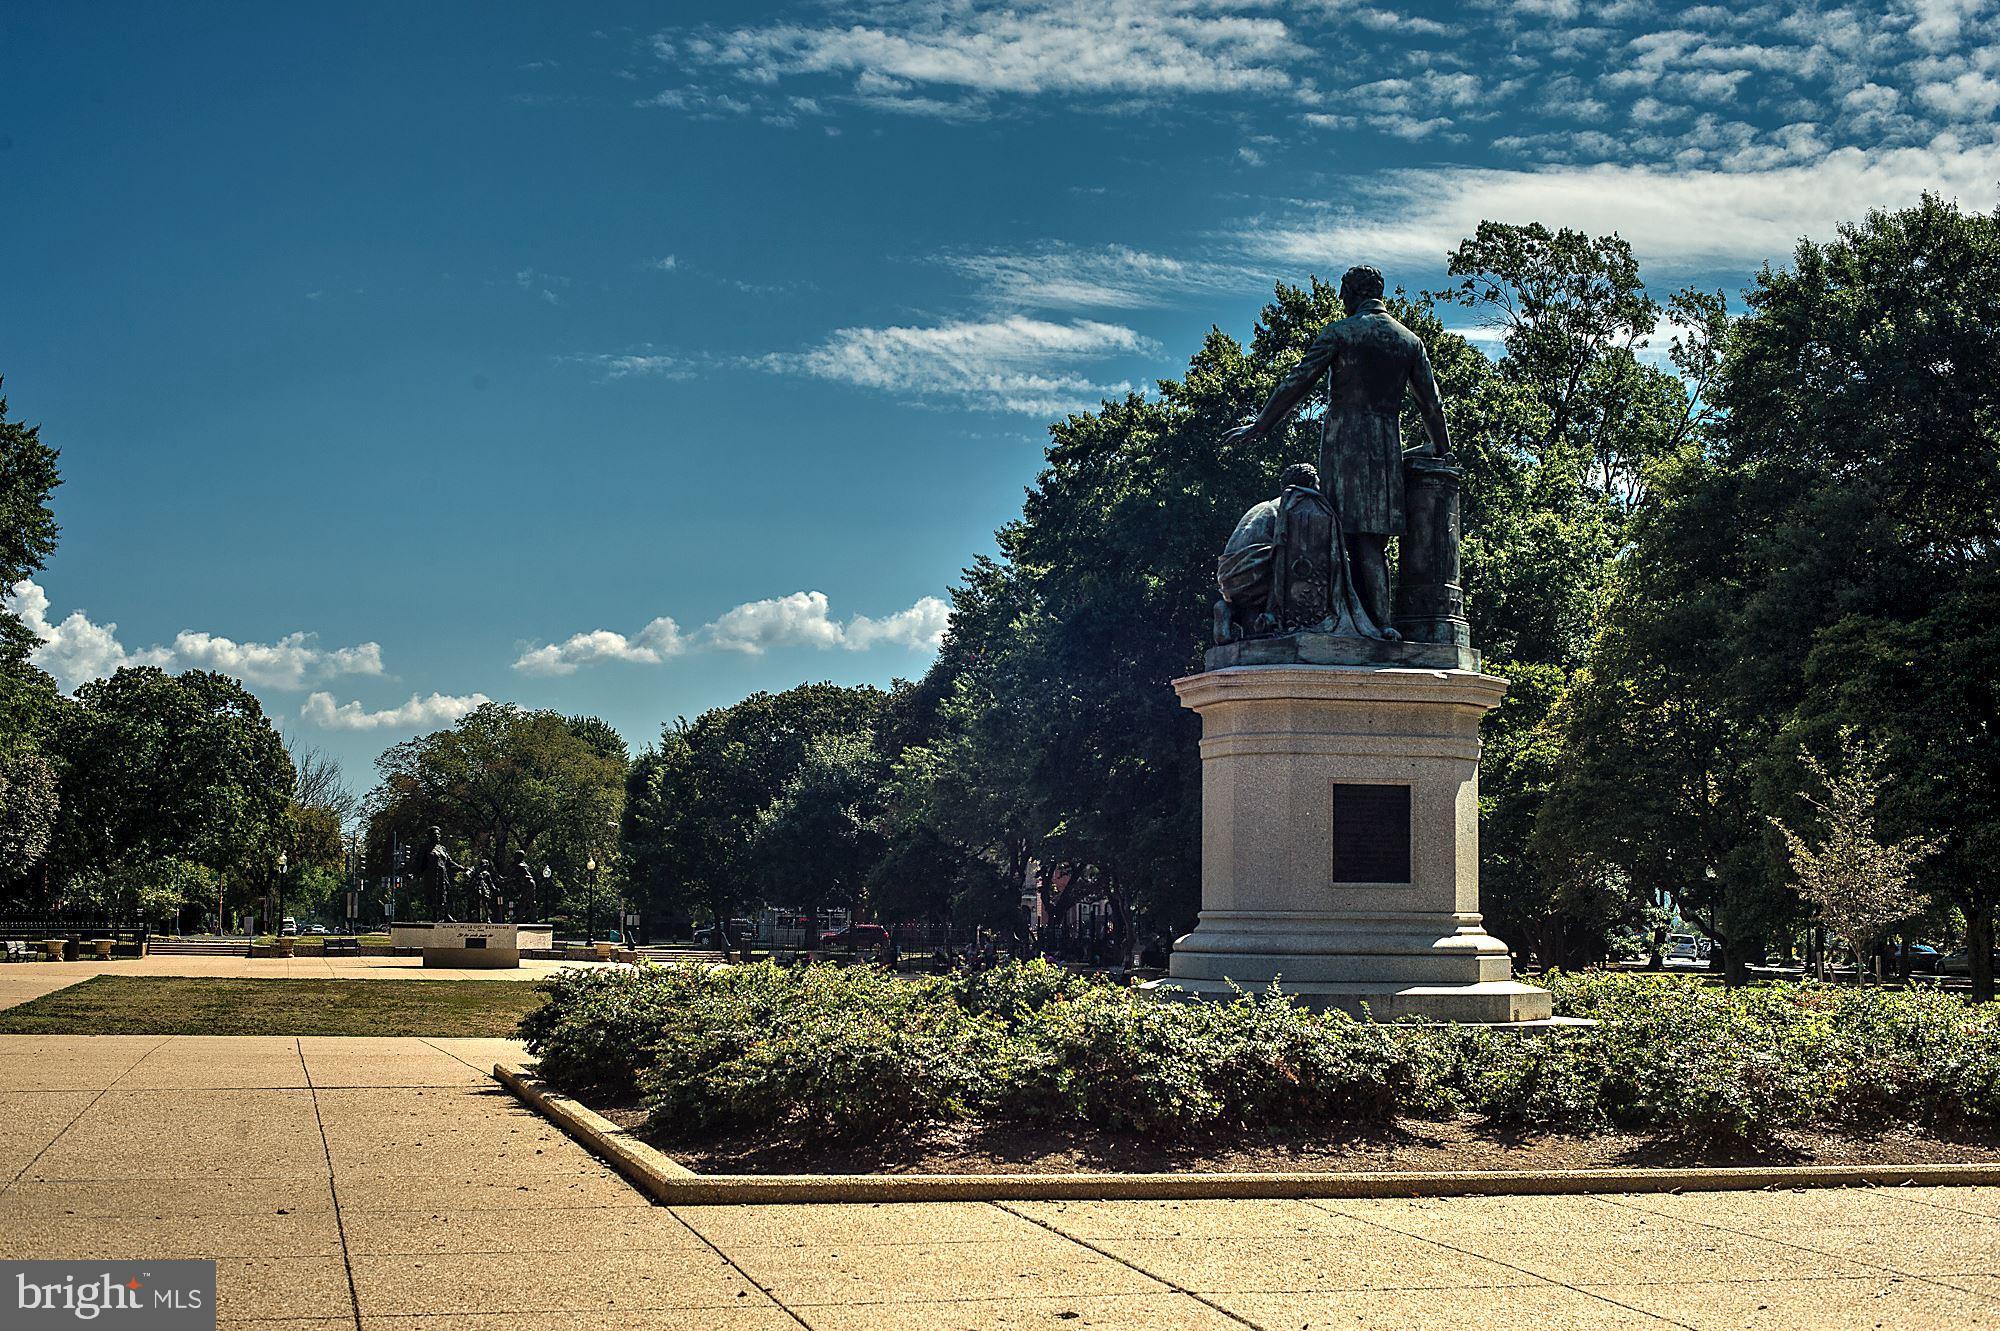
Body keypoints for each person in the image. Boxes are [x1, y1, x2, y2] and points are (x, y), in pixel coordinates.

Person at [1219, 265, 1451, 632]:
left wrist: (1261, 424)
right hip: (1386, 446)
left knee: (1339, 534)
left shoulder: (1341, 333)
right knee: (1372, 542)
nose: (1341, 298)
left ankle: (1352, 622)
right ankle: (1382, 624)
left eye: (1343, 291)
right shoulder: (1409, 341)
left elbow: (1297, 382)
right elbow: (1431, 405)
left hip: (1345, 442)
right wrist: (1443, 448)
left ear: (1353, 292)